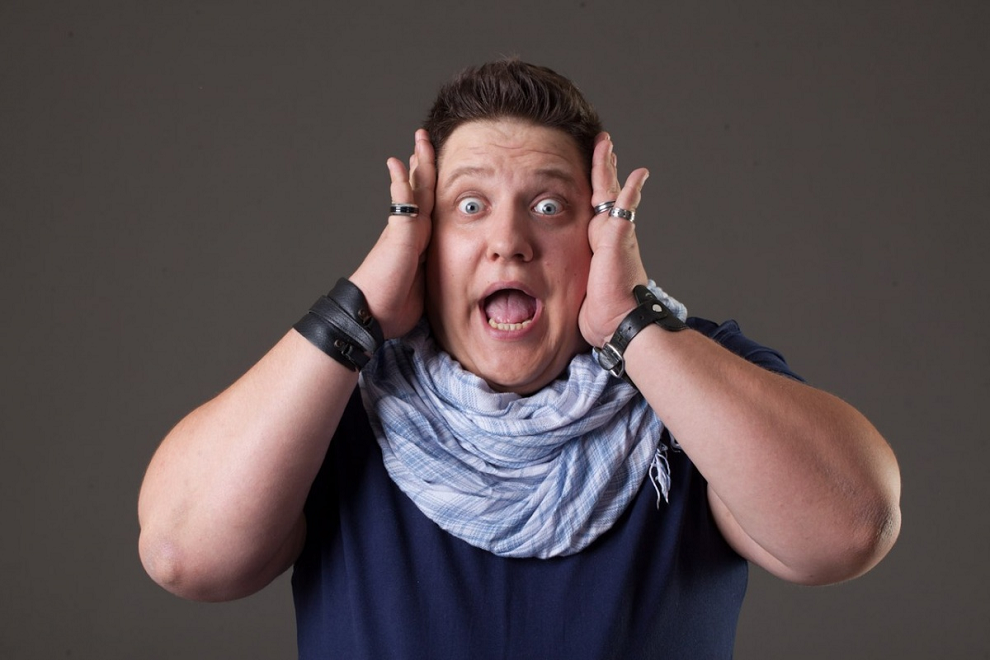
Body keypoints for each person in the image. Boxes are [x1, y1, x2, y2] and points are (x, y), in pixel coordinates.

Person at [137, 60, 901, 659]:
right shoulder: (334, 393)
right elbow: (182, 553)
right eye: (469, 207)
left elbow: (852, 528)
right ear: (424, 244)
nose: (508, 241)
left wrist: (634, 324)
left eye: (549, 206)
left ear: (598, 235)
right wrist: (358, 308)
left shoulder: (693, 376)